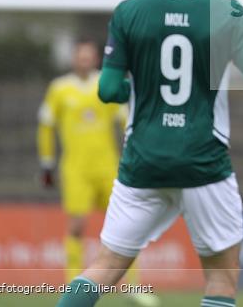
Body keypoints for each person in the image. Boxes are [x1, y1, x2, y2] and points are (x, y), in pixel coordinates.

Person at [55, 0, 243, 307]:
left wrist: (138, 90)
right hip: (203, 162)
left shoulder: (129, 11)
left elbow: (107, 90)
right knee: (221, 281)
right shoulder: (227, 12)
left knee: (104, 268)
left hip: (144, 159)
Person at [37, 40, 157, 307]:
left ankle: (132, 287)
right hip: (76, 169)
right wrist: (47, 162)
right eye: (80, 56)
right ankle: (73, 284)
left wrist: (137, 151)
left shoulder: (106, 84)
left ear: (95, 59)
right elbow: (46, 125)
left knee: (127, 226)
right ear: (73, 59)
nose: (85, 61)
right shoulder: (59, 88)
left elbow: (125, 119)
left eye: (89, 57)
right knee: (77, 227)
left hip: (108, 167)